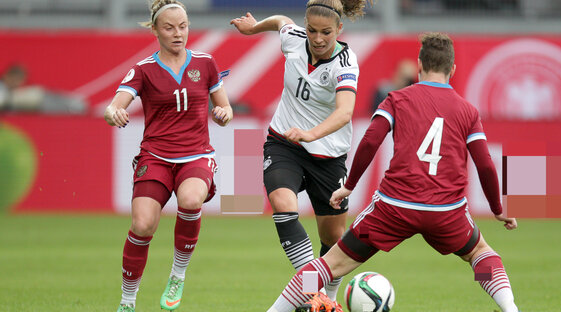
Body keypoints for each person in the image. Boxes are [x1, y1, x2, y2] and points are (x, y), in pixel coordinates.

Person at [266, 32, 520, 312]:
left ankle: (276, 311)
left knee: (328, 266)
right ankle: (510, 308)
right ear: (453, 69)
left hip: (395, 207)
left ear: (420, 65)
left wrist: (349, 186)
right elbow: (484, 163)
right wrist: (497, 207)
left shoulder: (397, 99)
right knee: (480, 255)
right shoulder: (468, 111)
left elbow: (371, 140)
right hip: (446, 211)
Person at [230, 0, 373, 306]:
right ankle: (313, 292)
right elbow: (281, 20)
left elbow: (345, 112)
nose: (318, 39)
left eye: (326, 32)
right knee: (283, 204)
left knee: (333, 239)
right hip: (285, 143)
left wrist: (311, 133)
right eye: (312, 30)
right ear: (304, 27)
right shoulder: (294, 38)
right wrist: (254, 28)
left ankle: (327, 300)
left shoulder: (346, 63)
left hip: (328, 157)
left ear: (339, 30)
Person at [104, 1, 233, 311]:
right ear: (155, 31)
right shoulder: (144, 69)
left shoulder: (205, 63)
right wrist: (115, 113)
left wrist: (223, 113)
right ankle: (127, 301)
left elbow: (225, 107)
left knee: (190, 201)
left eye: (183, 26)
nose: (178, 33)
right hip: (156, 156)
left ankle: (177, 275)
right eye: (169, 28)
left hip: (196, 155)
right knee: (143, 225)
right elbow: (113, 106)